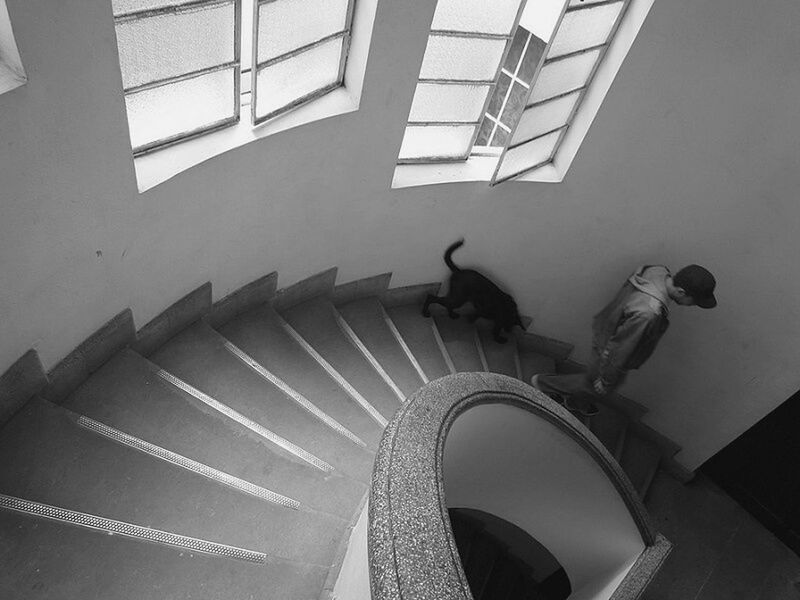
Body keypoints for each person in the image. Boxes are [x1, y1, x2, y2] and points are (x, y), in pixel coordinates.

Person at [530, 264, 717, 416]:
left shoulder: (658, 270)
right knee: (596, 386)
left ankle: (575, 402)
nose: (692, 306)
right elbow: (620, 348)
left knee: (597, 385)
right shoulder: (648, 313)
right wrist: (606, 379)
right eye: (694, 301)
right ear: (682, 292)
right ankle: (543, 384)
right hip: (610, 348)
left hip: (606, 326)